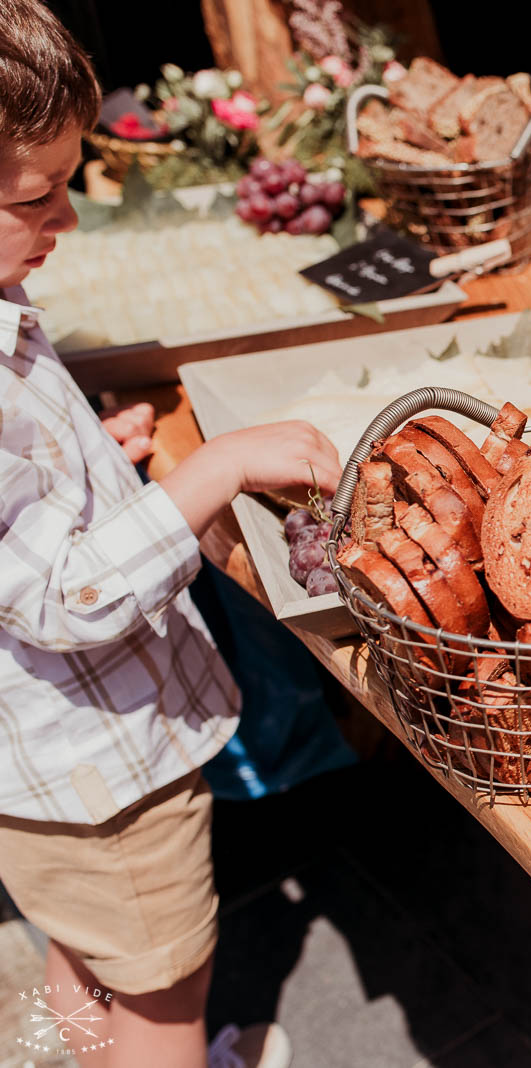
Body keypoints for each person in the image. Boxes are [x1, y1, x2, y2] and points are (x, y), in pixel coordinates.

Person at [0, 4, 341, 1065]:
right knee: (164, 990)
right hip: (108, 780)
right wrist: (216, 469)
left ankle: (79, 1057)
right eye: (36, 195)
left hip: (45, 781)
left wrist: (95, 456)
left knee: (86, 951)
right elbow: (64, 598)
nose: (67, 217)